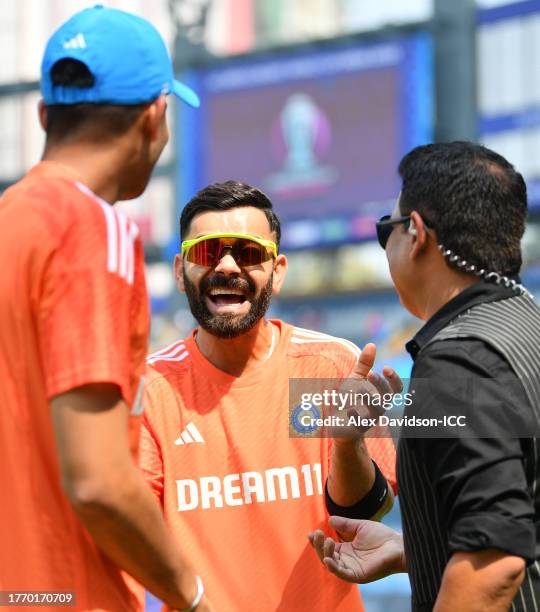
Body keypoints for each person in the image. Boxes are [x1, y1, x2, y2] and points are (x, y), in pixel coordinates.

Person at [0, 6, 212, 612]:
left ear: (45, 114)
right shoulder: (94, 229)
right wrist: (192, 595)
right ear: (155, 117)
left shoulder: (10, 222)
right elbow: (97, 481)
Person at [138, 180, 400, 611]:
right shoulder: (152, 386)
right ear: (181, 272)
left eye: (247, 253)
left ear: (276, 272)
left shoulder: (331, 365)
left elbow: (369, 515)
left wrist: (346, 443)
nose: (226, 267)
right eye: (207, 252)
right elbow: (131, 529)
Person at [309, 141, 540, 611]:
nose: (386, 242)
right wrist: (417, 550)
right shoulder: (523, 321)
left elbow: (494, 560)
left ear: (414, 233)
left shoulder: (460, 357)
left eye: (384, 230)